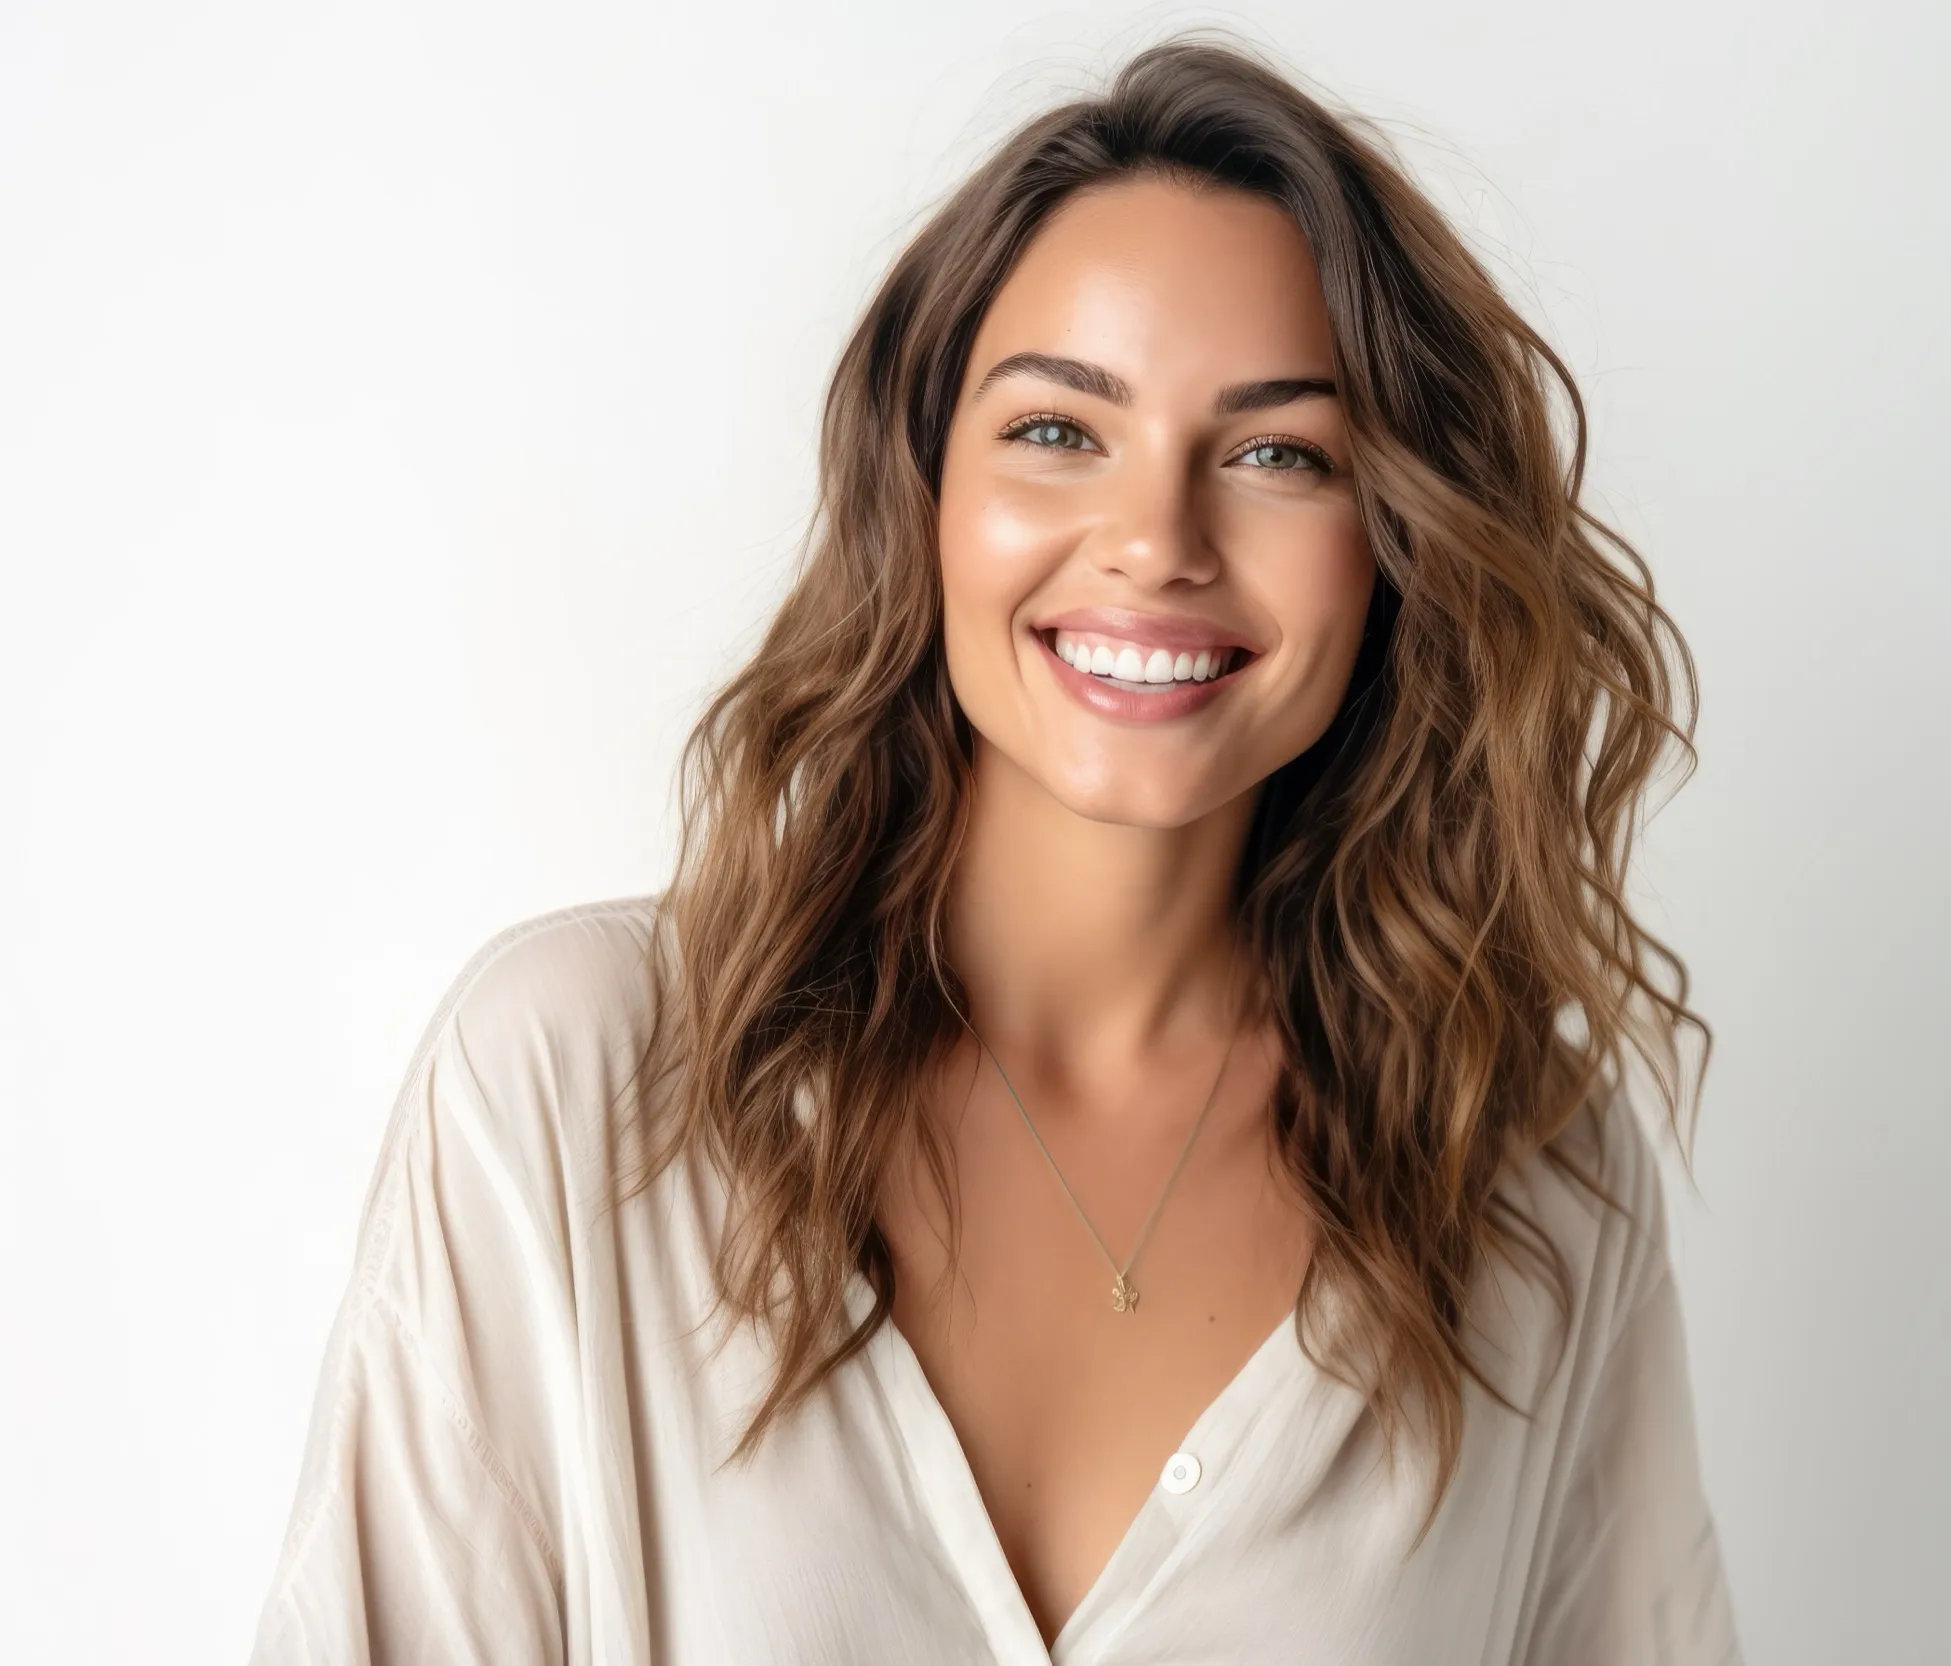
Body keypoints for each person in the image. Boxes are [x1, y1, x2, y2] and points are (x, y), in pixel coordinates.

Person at [248, 34, 1741, 1665]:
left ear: (1391, 541)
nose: (1157, 542)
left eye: (1277, 453)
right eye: (1058, 429)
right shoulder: (576, 1082)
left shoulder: (1529, 1171)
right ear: (925, 488)